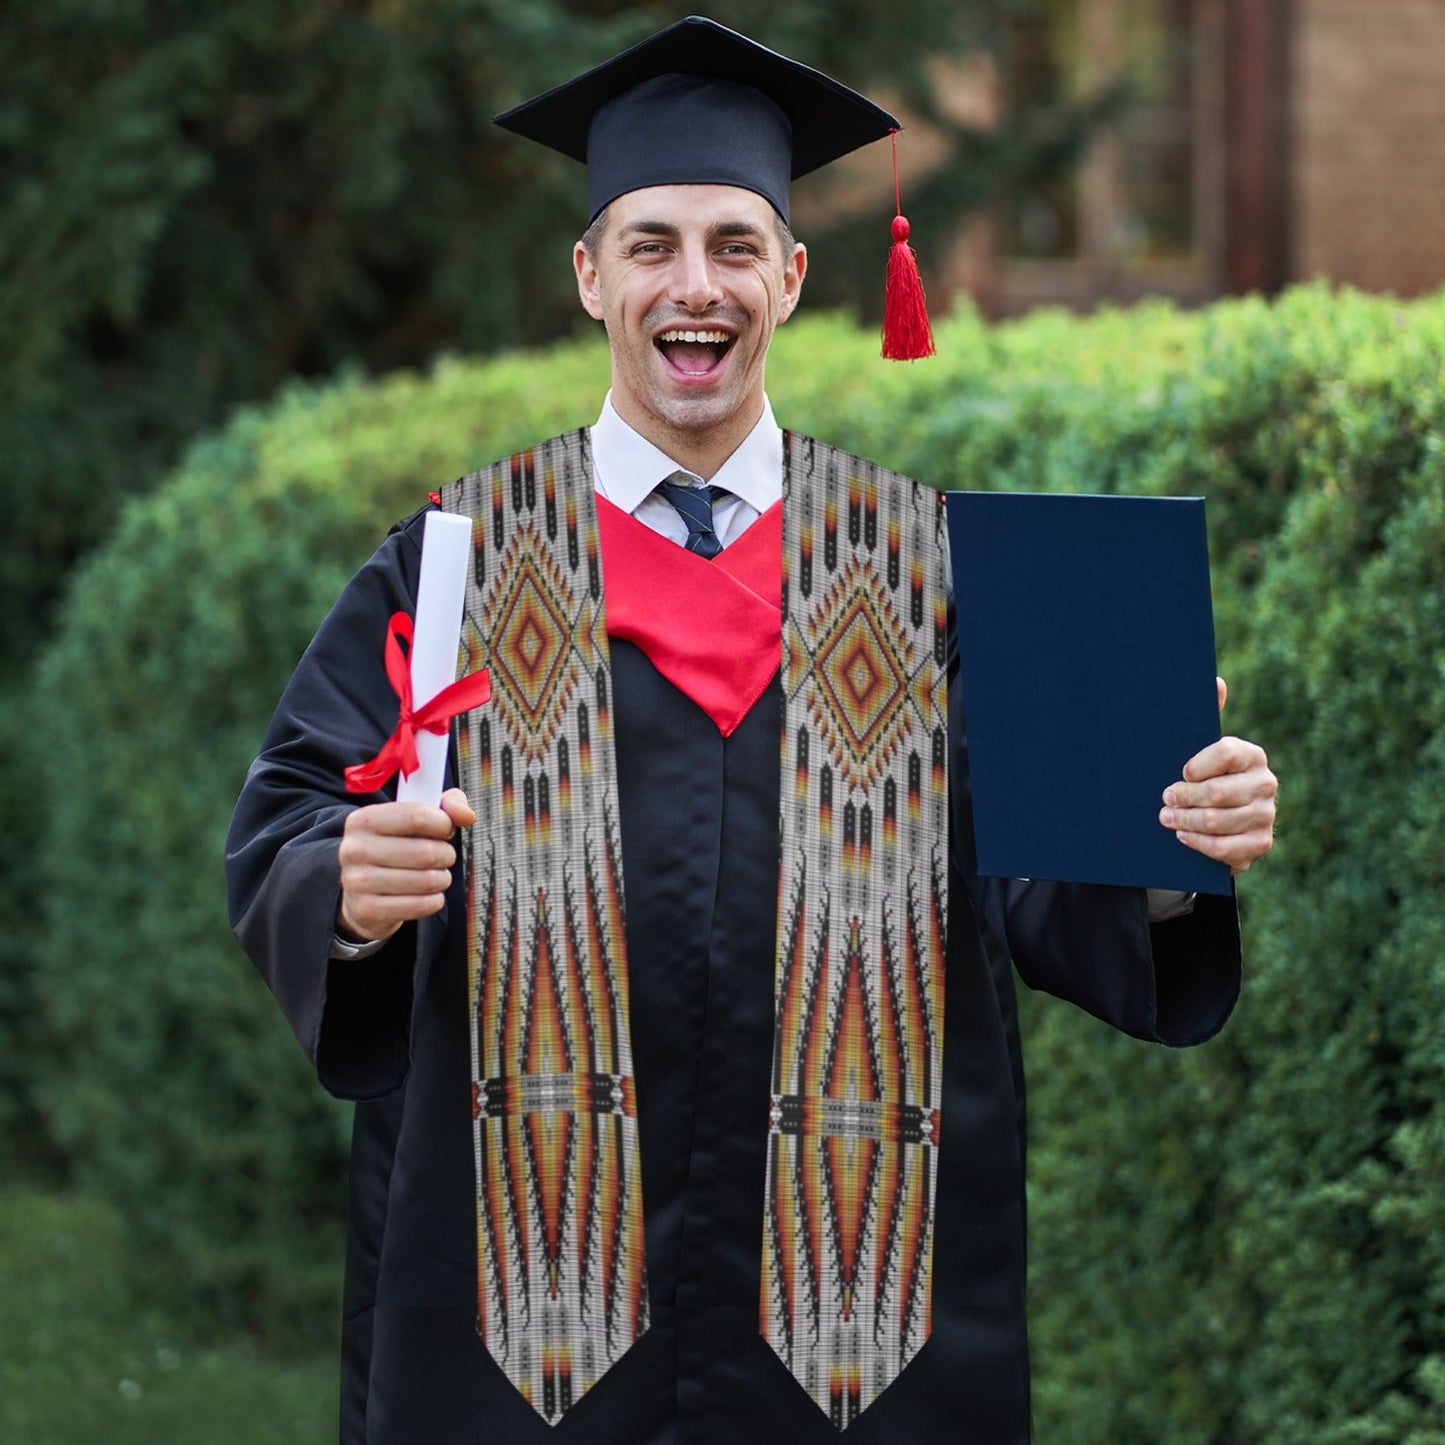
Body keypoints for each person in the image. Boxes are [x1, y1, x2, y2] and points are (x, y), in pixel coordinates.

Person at [225, 17, 1278, 1445]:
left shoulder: (930, 569)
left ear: (789, 277)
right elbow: (292, 820)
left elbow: (1041, 887)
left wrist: (1168, 847)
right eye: (650, 245)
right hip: (521, 1321)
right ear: (588, 276)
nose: (694, 286)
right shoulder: (458, 562)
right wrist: (346, 888)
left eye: (734, 245)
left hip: (862, 1323)